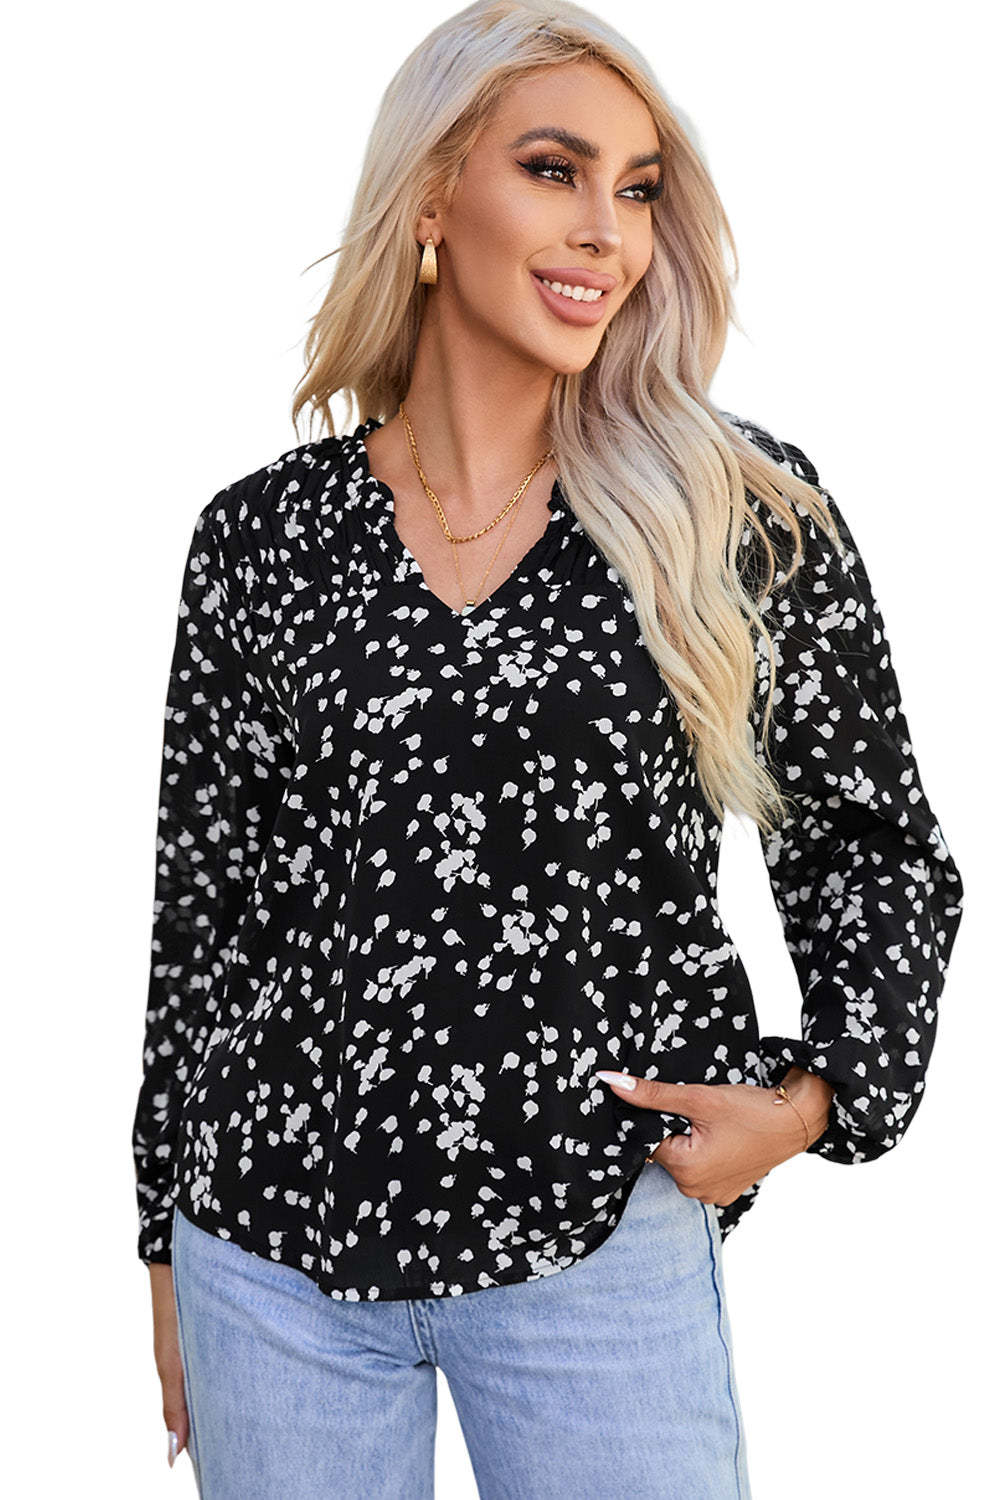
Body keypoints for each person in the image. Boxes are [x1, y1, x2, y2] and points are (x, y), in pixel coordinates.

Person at [131, 3, 964, 1496]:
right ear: (431, 196)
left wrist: (813, 1101)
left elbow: (874, 848)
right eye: (554, 170)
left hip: (597, 1230)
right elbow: (208, 915)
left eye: (636, 190)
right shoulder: (263, 538)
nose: (605, 232)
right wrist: (160, 1248)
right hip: (270, 1256)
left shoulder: (732, 514)